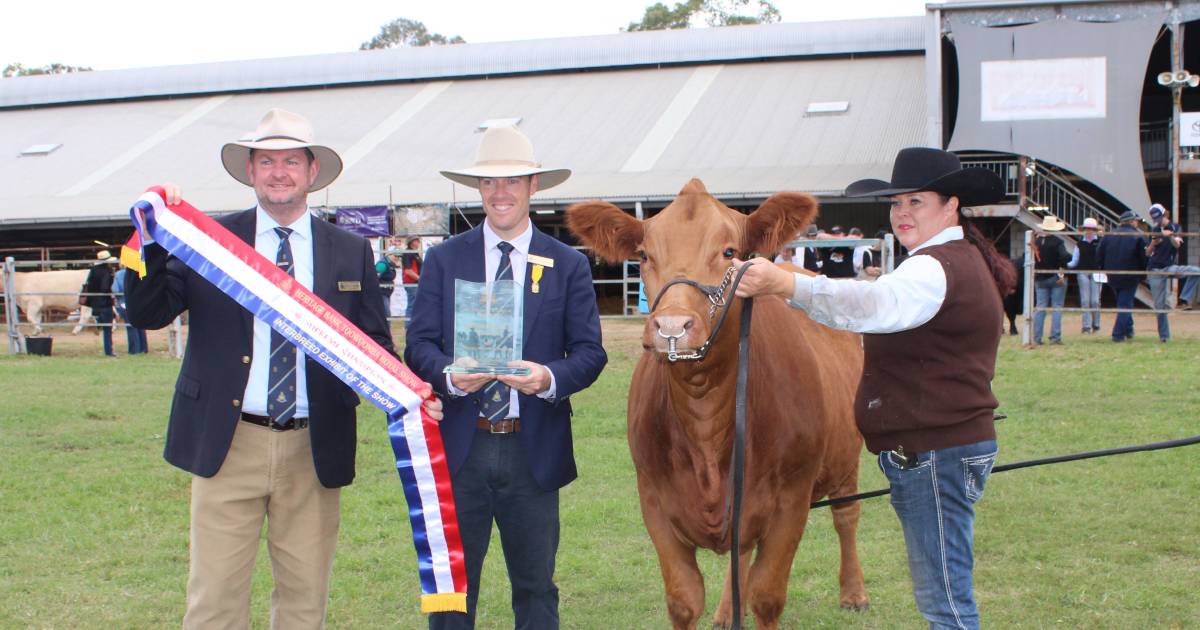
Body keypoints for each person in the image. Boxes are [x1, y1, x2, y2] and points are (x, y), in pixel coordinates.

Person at [126, 108, 440, 629]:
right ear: (249, 171)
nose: (279, 172)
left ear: (312, 171)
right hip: (227, 442)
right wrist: (153, 238)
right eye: (266, 160)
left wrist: (408, 391)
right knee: (214, 600)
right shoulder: (209, 241)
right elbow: (147, 313)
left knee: (304, 598)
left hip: (313, 445)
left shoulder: (349, 249)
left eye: (291, 160)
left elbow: (373, 342)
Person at [731, 147, 1014, 630]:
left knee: (946, 602)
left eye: (916, 202)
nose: (902, 213)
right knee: (944, 591)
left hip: (936, 451)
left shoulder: (933, 267)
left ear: (951, 206)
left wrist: (787, 284)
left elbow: (872, 305)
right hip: (942, 446)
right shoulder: (953, 259)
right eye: (896, 202)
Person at [405, 124, 607, 630]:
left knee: (536, 588)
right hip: (460, 447)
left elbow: (590, 354)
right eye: (490, 182)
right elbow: (419, 345)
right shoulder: (444, 259)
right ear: (478, 189)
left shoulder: (568, 265)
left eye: (513, 181)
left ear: (533, 185)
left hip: (531, 448)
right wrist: (449, 376)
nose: (501, 193)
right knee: (452, 592)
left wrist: (547, 377)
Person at [1144, 203, 1200, 342]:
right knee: (1159, 305)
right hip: (1155, 269)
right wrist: (1153, 243)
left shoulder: (1175, 227)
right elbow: (1147, 253)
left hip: (1170, 266)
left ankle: (1185, 298)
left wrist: (1169, 236)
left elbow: (1177, 245)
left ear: (1165, 214)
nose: (1158, 221)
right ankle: (1164, 337)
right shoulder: (1155, 229)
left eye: (1159, 217)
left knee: (1196, 272)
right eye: (1155, 219)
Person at [1098, 210, 1148, 342]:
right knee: (1124, 304)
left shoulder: (1108, 235)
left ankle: (1129, 329)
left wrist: (1104, 269)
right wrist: (1143, 274)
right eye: (1136, 221)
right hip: (1130, 274)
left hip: (1112, 274)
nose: (1137, 223)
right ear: (1132, 221)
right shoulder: (1138, 236)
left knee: (1123, 302)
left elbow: (1099, 254)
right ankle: (1118, 334)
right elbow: (1143, 258)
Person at [1032, 215, 1070, 345]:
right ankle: (1055, 337)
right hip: (1055, 276)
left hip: (1040, 277)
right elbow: (1065, 257)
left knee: (1040, 307)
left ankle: (1036, 338)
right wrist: (1063, 270)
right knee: (1057, 307)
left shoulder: (1035, 242)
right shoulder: (1057, 242)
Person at [1067, 217, 1103, 334]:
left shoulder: (1100, 242)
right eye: (1087, 229)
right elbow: (1074, 261)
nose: (1088, 231)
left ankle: (1096, 325)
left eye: (1091, 229)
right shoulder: (1079, 243)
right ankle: (1086, 327)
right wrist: (1064, 265)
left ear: (1095, 230)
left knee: (1095, 301)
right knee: (1085, 301)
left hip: (1097, 272)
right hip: (1083, 272)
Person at [83, 249, 117, 356]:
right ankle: (109, 351)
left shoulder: (93, 270)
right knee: (108, 329)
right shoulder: (107, 272)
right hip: (105, 302)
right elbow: (105, 287)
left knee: (103, 325)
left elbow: (88, 284)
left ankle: (97, 322)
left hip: (94, 302)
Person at [112, 262, 149, 354]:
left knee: (131, 327)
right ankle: (143, 348)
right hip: (139, 302)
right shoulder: (139, 272)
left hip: (125, 302)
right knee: (141, 326)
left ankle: (134, 350)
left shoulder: (118, 274)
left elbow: (115, 289)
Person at [401, 236, 423, 318]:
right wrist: (421, 279)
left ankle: (412, 326)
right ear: (412, 242)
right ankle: (408, 327)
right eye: (417, 241)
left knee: (415, 305)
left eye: (418, 241)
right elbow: (408, 271)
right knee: (412, 305)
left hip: (415, 283)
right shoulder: (408, 253)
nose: (418, 242)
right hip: (411, 283)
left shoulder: (414, 253)